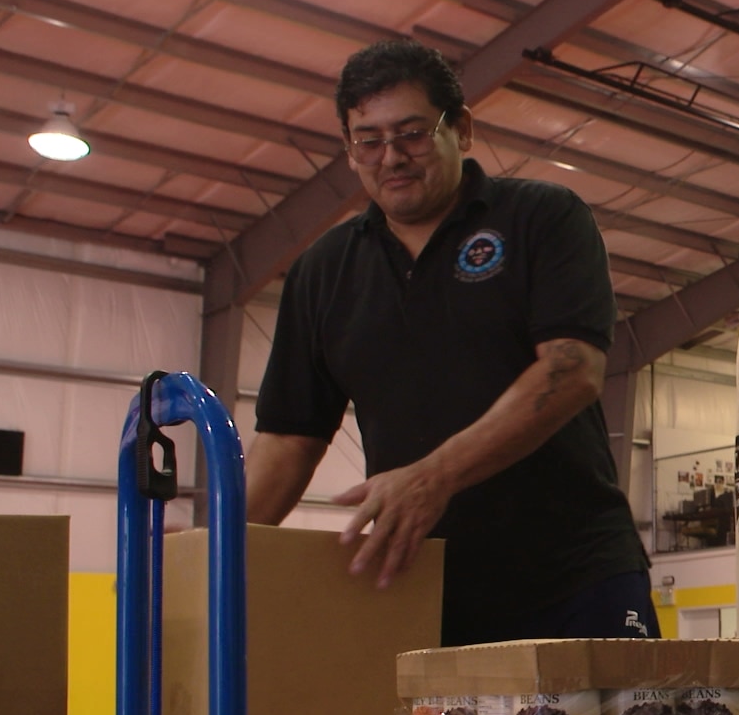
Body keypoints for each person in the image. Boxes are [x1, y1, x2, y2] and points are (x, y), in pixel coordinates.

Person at [248, 39, 658, 646]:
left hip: (576, 580)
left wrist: (433, 475)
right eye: (369, 140)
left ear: (461, 130)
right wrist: (215, 546)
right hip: (419, 592)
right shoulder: (323, 272)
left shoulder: (541, 218)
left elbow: (572, 371)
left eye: (412, 133)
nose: (392, 157)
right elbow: (288, 436)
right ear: (349, 148)